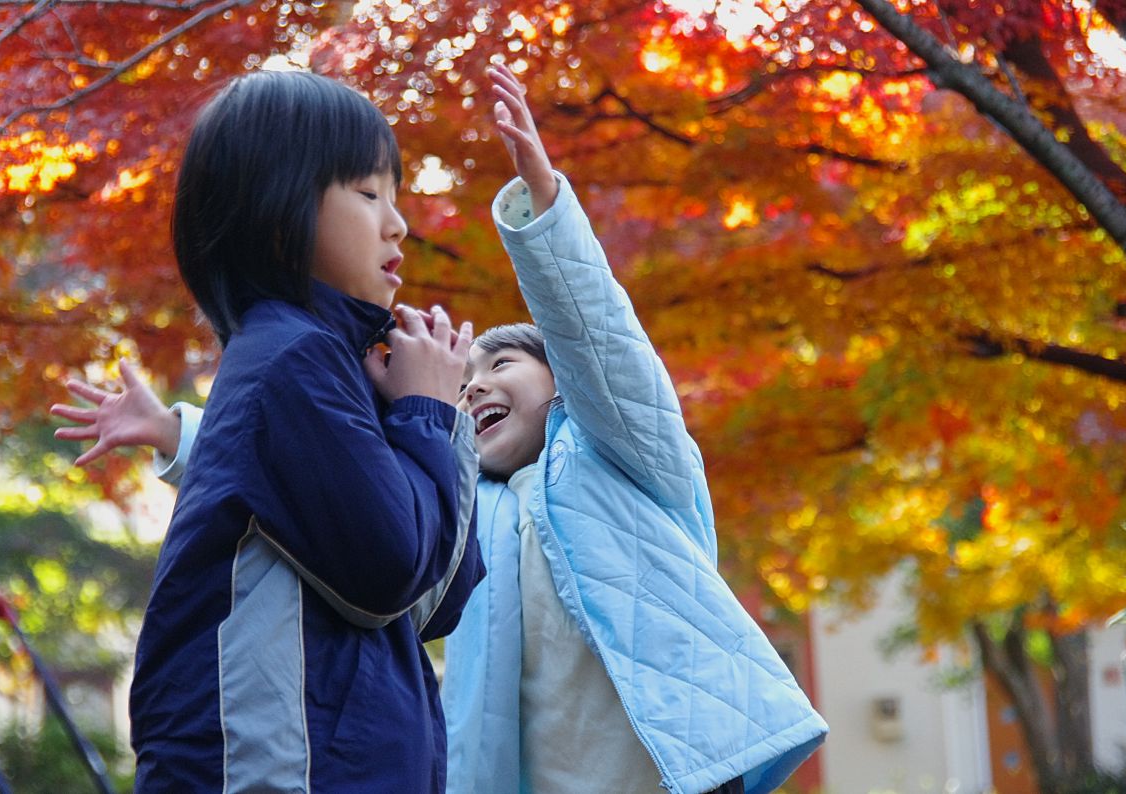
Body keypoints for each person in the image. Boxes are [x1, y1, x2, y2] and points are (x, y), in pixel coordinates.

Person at [54, 65, 826, 794]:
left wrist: (546, 207)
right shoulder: (445, 476)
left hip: (667, 769)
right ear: (281, 210)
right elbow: (342, 503)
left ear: (563, 383)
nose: (475, 381)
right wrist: (183, 434)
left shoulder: (622, 465)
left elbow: (602, 352)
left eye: (505, 363)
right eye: (368, 194)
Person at [61, 70, 484, 793]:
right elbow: (391, 572)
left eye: (398, 196)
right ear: (280, 212)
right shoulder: (290, 359)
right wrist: (426, 414)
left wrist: (437, 416)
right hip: (274, 770)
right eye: (369, 192)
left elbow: (437, 597)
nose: (398, 224)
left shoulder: (332, 367)